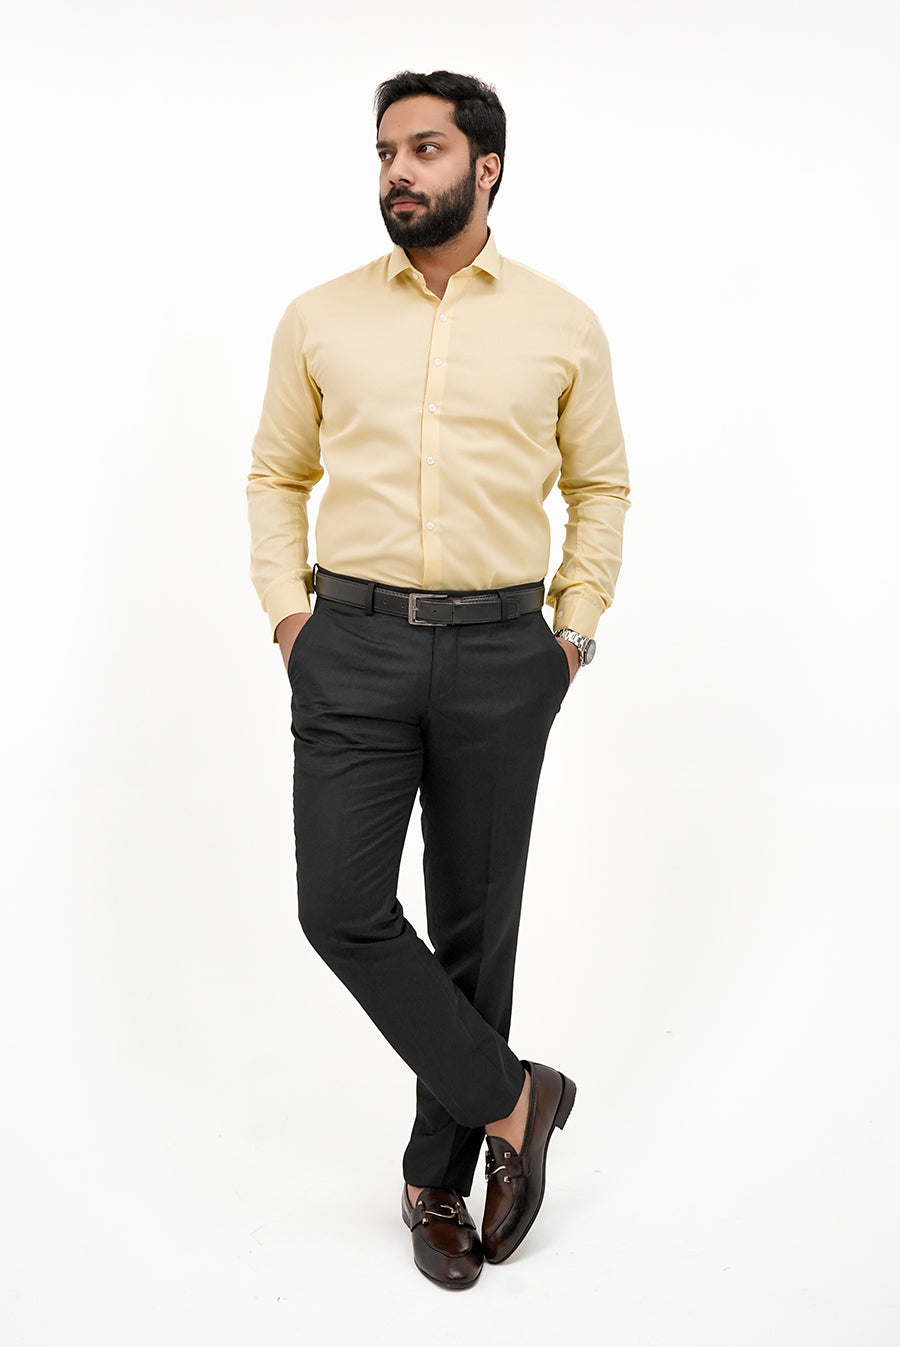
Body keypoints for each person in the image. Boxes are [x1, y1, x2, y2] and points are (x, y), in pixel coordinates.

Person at [246, 69, 630, 1289]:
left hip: (503, 652)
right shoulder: (319, 317)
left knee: (473, 927)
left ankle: (434, 1179)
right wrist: (292, 619)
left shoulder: (563, 323)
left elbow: (601, 487)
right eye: (385, 152)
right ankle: (519, 1099)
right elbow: (276, 476)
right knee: (340, 908)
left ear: (486, 167)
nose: (397, 172)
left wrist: (571, 636)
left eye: (423, 149)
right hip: (351, 643)